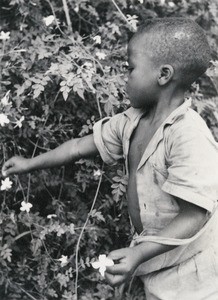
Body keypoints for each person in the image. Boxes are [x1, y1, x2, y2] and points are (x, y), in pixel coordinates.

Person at [2, 17, 218, 299]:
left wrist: (138, 252)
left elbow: (195, 214)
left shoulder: (188, 137)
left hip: (197, 273)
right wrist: (29, 163)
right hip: (161, 263)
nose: (124, 77)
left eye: (130, 69)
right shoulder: (132, 121)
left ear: (163, 75)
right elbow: (79, 146)